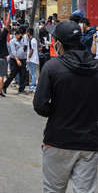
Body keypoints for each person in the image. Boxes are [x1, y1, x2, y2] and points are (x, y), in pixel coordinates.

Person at [33, 20, 98, 193]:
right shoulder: (95, 67)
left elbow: (40, 105)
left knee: (53, 190)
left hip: (58, 140)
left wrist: (58, 111)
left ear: (58, 44)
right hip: (90, 143)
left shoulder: (52, 67)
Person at [2, 28, 28, 95]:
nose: (20, 36)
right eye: (19, 35)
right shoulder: (12, 41)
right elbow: (13, 52)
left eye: (21, 35)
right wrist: (17, 60)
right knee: (13, 74)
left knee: (23, 74)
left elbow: (25, 48)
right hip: (14, 60)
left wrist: (26, 58)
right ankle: (4, 87)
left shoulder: (23, 40)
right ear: (16, 35)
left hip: (23, 59)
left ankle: (21, 89)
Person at [26, 28, 39, 93]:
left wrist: (28, 58)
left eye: (27, 32)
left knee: (32, 73)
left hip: (32, 59)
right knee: (33, 72)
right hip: (33, 59)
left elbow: (31, 50)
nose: (26, 34)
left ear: (28, 33)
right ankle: (33, 85)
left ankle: (34, 85)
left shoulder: (31, 40)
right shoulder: (34, 40)